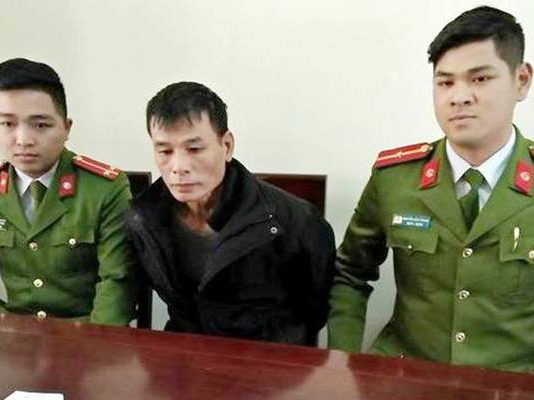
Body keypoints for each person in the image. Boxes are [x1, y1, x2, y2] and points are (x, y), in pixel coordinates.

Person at [328, 6, 534, 372]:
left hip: (511, 382)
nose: (459, 97)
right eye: (445, 82)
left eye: (480, 78)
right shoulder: (395, 178)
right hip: (406, 375)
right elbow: (350, 273)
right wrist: (343, 362)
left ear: (521, 80)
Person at [127, 81, 335, 345]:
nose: (178, 167)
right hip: (185, 356)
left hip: (271, 358)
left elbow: (317, 309)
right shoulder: (143, 217)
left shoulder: (295, 220)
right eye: (165, 151)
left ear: (226, 146)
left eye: (194, 149)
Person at [0, 58, 136, 325]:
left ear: (66, 127)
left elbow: (118, 281)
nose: (23, 140)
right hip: (14, 336)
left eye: (41, 125)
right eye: (7, 124)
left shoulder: (104, 188)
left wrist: (93, 343)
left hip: (85, 337)